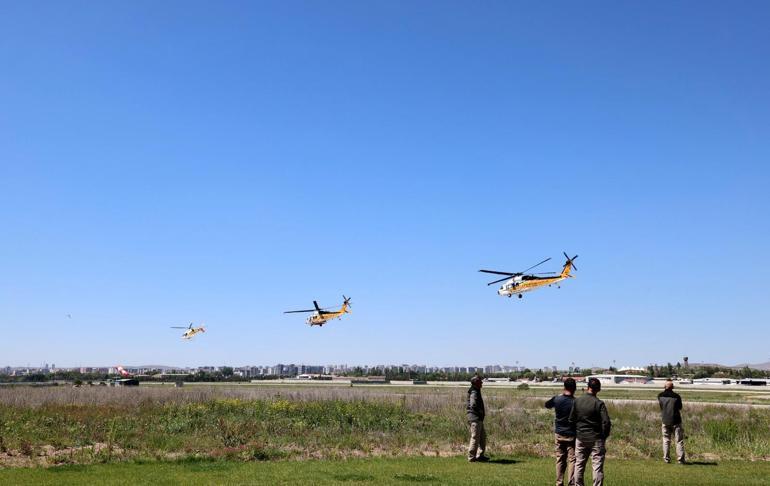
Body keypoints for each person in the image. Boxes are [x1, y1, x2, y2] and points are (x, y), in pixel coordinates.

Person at [569, 378, 611, 486]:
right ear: (598, 389)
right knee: (597, 467)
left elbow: (571, 419)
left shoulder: (577, 401)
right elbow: (606, 422)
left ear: (588, 387)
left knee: (579, 464)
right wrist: (603, 436)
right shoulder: (599, 403)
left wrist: (577, 432)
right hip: (596, 438)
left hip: (581, 437)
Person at [546, 378, 577, 486]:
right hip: (572, 434)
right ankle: (571, 483)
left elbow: (547, 405)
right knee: (572, 459)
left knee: (560, 459)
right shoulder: (576, 402)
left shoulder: (557, 399)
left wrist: (558, 396)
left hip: (559, 433)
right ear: (575, 388)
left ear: (564, 387)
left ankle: (559, 482)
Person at [658, 380, 685, 464]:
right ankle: (680, 459)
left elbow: (661, 406)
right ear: (673, 387)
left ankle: (666, 459)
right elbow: (680, 407)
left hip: (665, 420)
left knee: (666, 440)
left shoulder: (660, 396)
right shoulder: (677, 396)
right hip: (676, 421)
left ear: (664, 387)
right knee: (679, 441)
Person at [466, 375, 488, 462]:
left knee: (482, 437)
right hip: (475, 418)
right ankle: (471, 457)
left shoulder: (476, 390)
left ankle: (480, 455)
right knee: (475, 437)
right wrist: (480, 412)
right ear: (476, 383)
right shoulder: (474, 391)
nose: (482, 382)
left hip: (478, 418)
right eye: (480, 381)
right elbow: (473, 404)